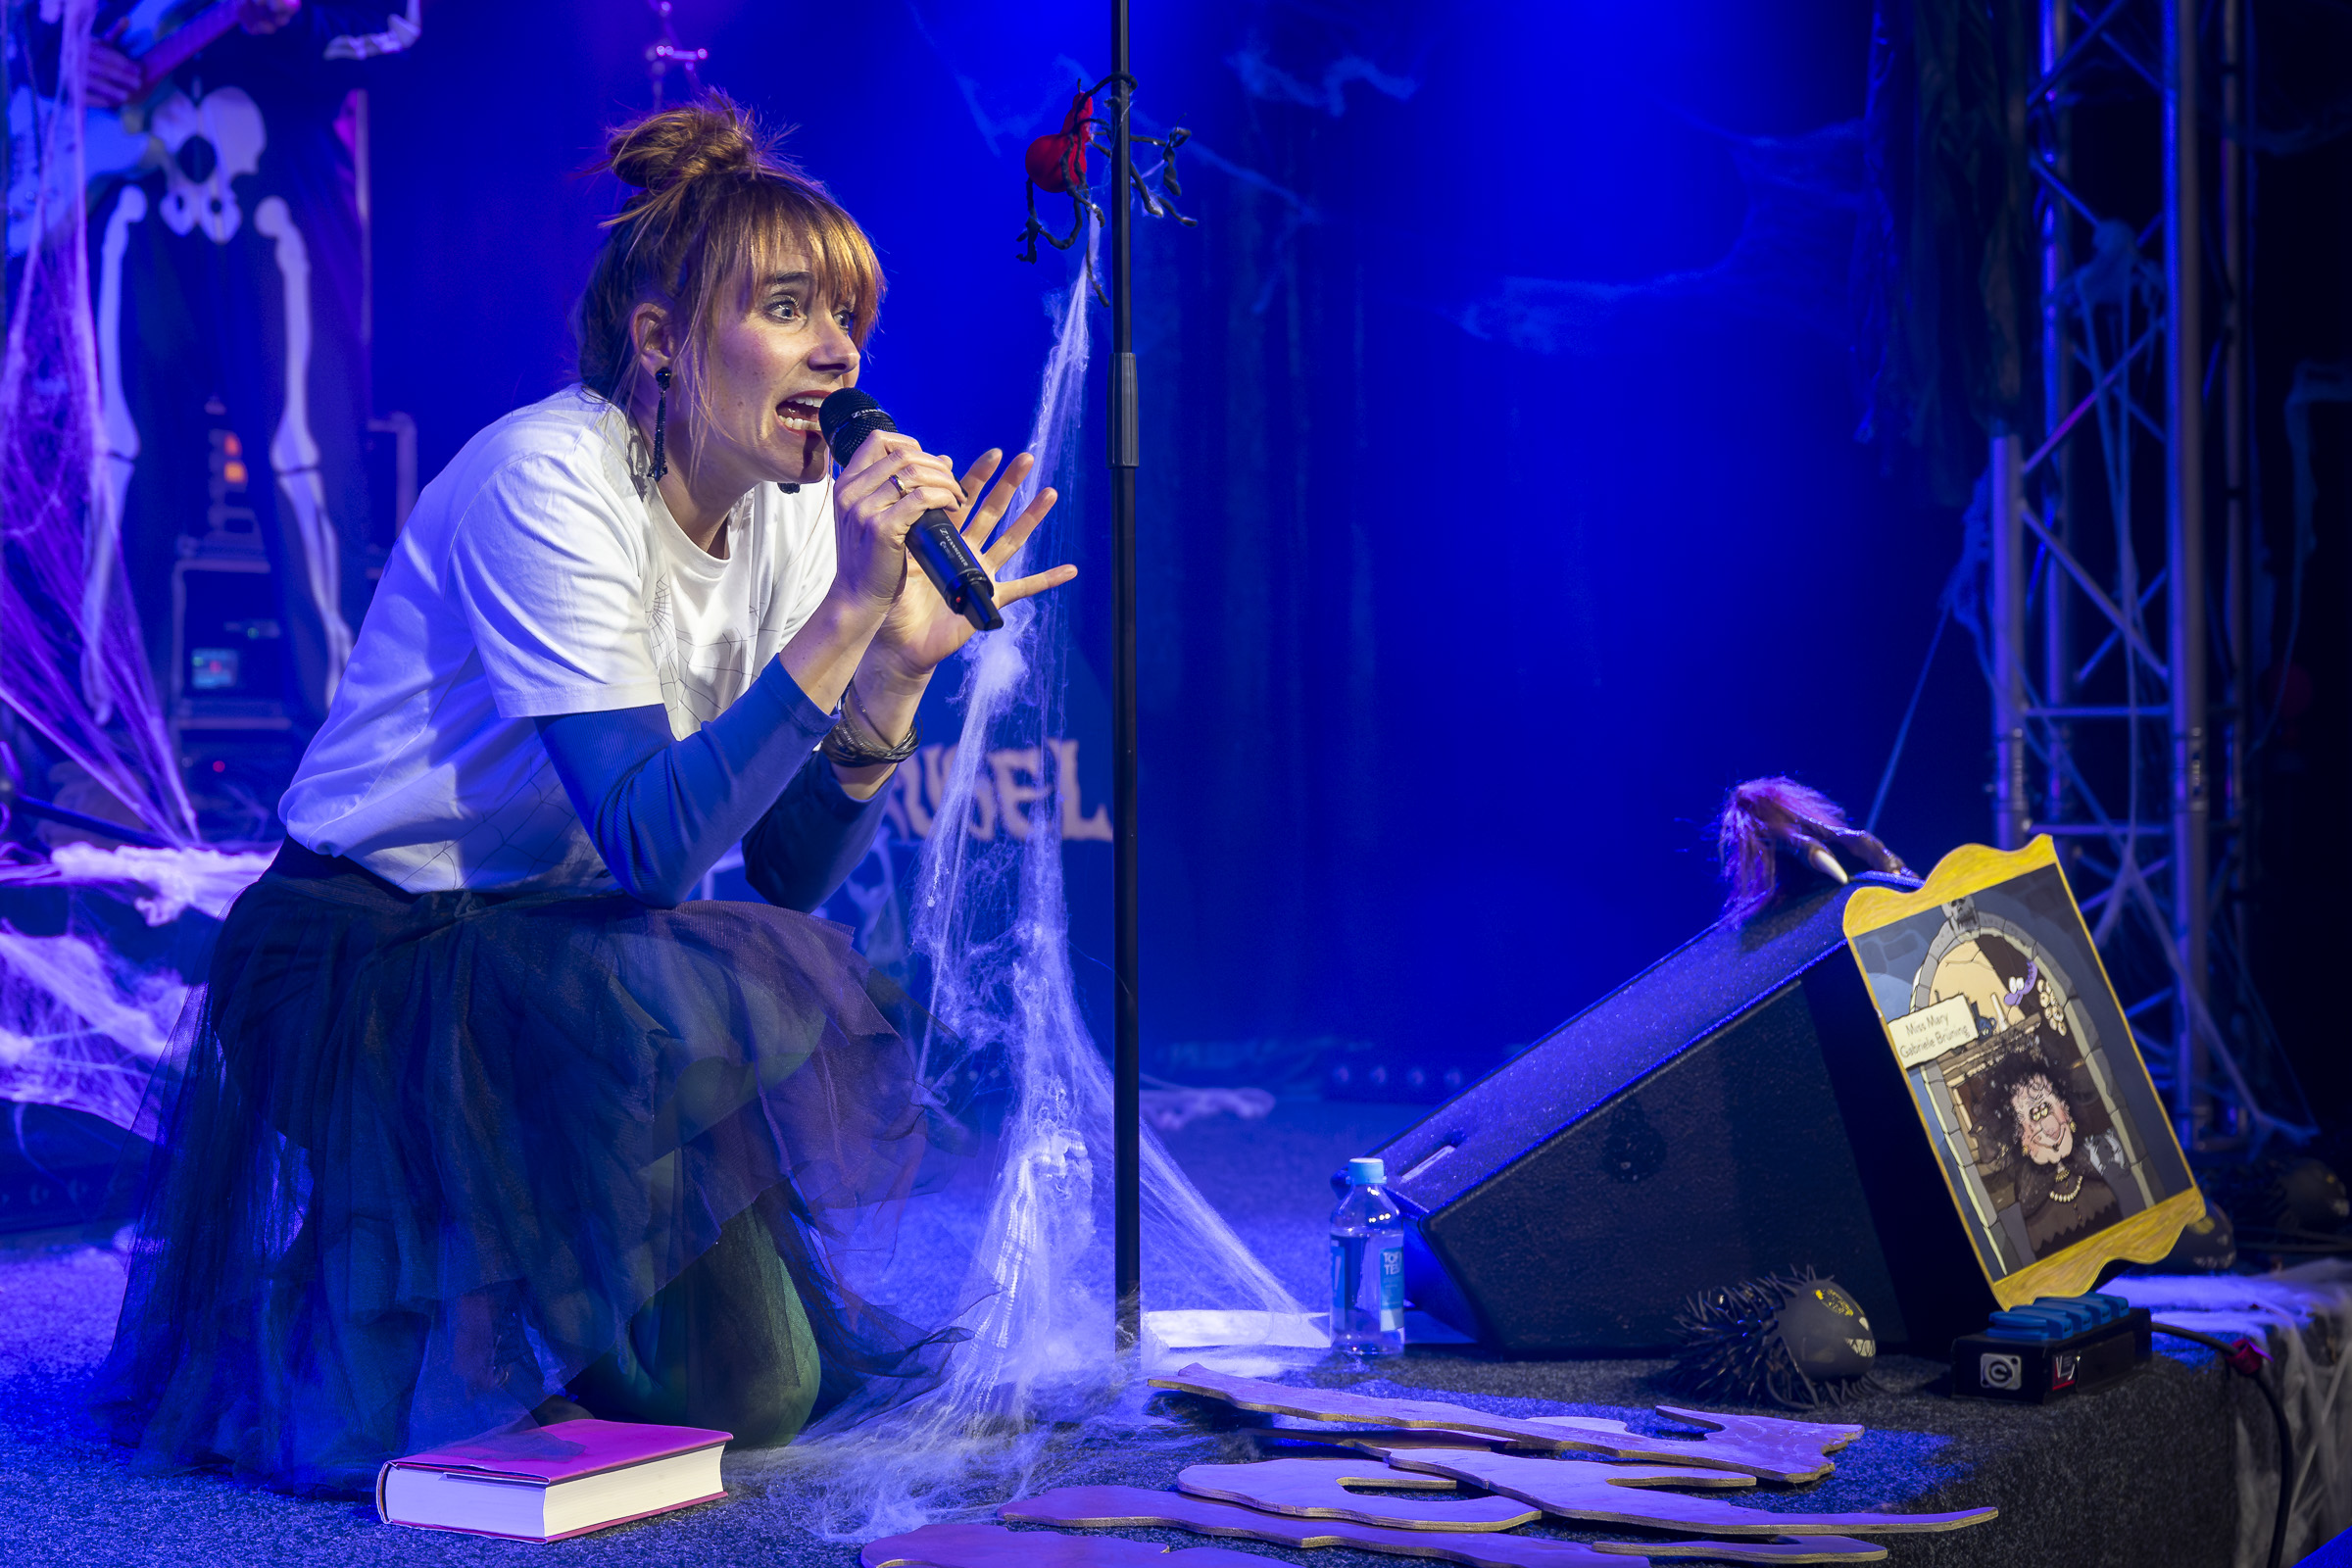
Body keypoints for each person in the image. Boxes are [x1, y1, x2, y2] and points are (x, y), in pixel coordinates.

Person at [90, 94, 1073, 1495]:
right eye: (788, 309)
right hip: (362, 962)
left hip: (558, 965)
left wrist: (892, 682)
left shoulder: (797, 514)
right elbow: (655, 847)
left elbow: (785, 873)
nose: (840, 351)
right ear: (660, 341)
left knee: (759, 1395)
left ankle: (501, 1277)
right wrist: (845, 618)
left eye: (847, 317)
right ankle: (383, 1270)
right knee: (401, 1408)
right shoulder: (544, 480)